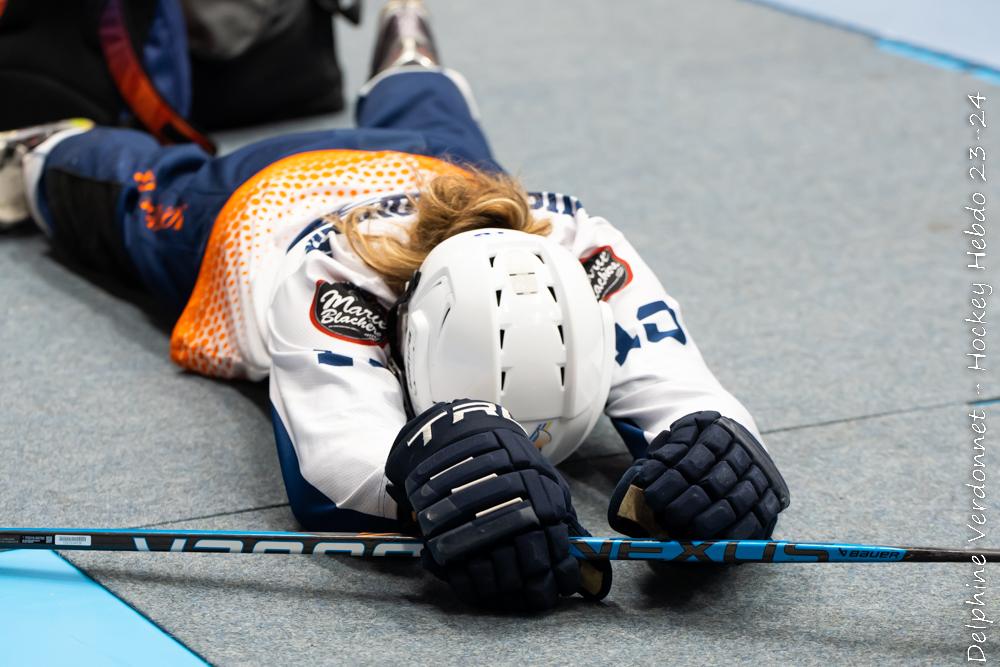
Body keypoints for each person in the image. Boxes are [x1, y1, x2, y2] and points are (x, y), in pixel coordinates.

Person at [0, 0, 789, 610]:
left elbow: (680, 381)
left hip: (447, 177)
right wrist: (419, 476)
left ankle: (409, 53)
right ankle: (39, 148)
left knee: (446, 138)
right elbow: (334, 437)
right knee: (138, 201)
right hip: (259, 194)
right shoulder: (328, 279)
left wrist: (717, 451)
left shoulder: (574, 237)